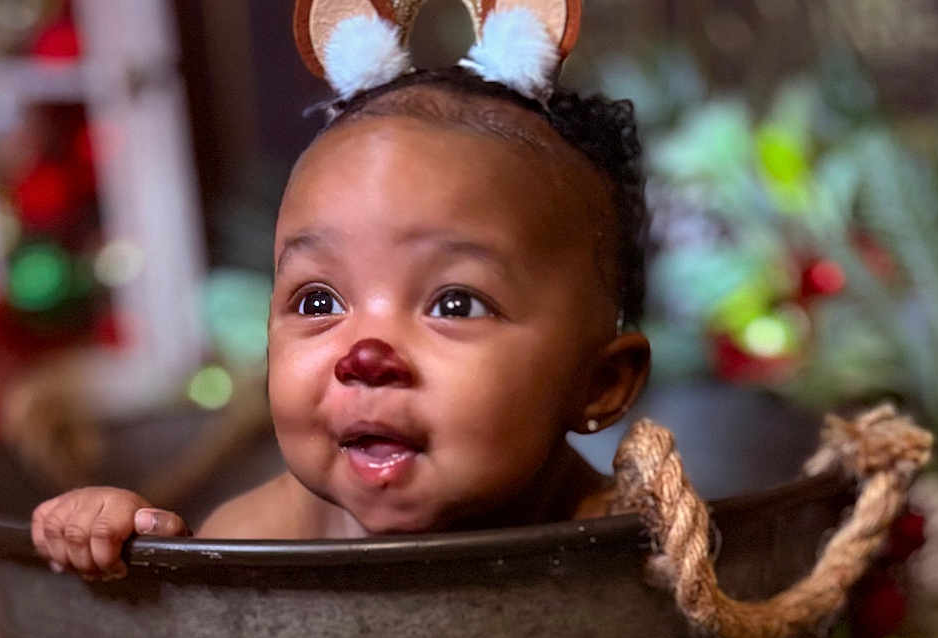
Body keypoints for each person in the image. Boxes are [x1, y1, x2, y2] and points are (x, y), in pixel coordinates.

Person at [32, 20, 651, 575]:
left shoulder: (634, 553)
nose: (366, 356)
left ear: (600, 384)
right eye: (318, 302)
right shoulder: (258, 538)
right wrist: (129, 554)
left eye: (454, 304)